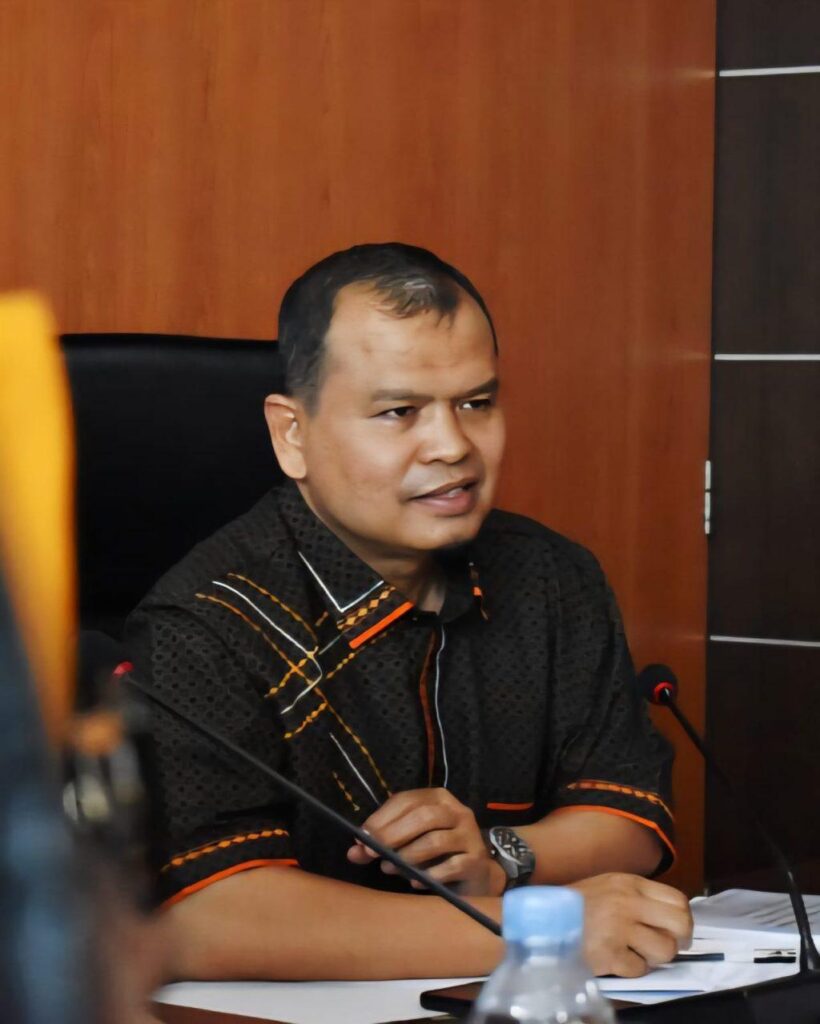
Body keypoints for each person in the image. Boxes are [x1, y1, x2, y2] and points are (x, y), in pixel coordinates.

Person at [126, 242, 692, 982]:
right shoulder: (204, 624)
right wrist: (536, 933)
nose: (452, 446)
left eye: (476, 404)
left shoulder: (551, 576)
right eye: (399, 412)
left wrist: (503, 856)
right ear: (292, 433)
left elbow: (631, 813)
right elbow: (207, 916)